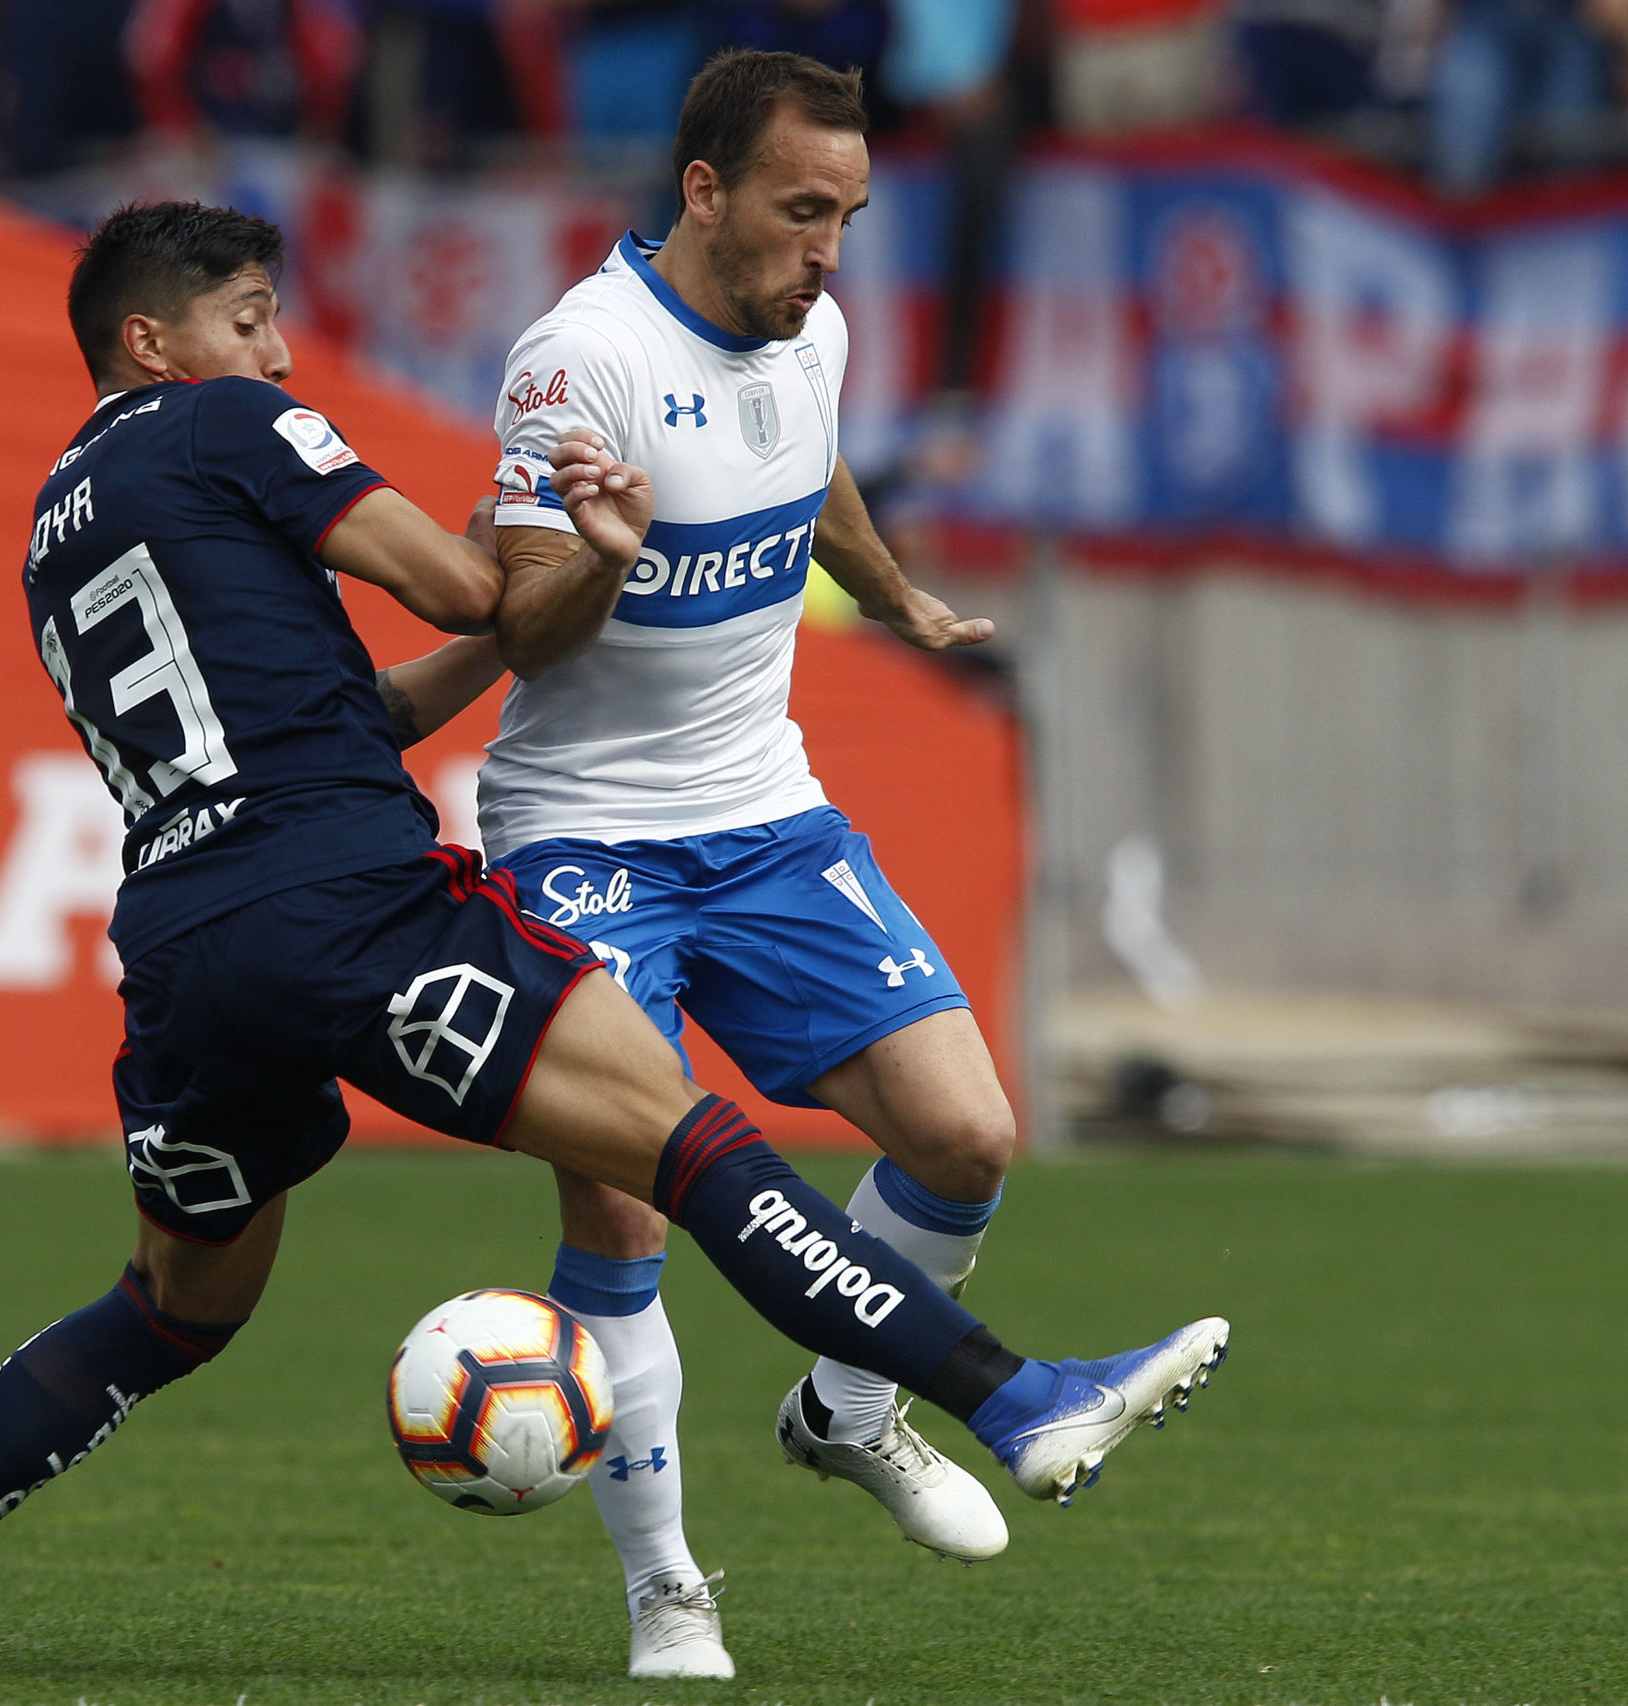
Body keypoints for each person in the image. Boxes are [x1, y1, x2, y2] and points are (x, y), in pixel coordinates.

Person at [0, 197, 1229, 1671]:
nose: (277, 355)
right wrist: (562, 546)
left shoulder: (55, 522)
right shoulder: (226, 423)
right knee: (691, 1147)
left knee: (172, 1306)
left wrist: (506, 611)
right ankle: (1015, 1399)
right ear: (151, 344)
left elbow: (363, 712)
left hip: (185, 951)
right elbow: (476, 585)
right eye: (249, 320)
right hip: (351, 903)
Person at [477, 50, 1227, 1680]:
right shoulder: (583, 356)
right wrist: (608, 555)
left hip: (766, 814)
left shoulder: (811, 326)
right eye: (800, 209)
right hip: (585, 832)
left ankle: (848, 1404)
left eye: (850, 215)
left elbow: (813, 470)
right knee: (624, 1204)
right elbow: (518, 623)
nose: (829, 249)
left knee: (967, 1133)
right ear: (703, 191)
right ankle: (669, 1592)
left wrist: (894, 595)